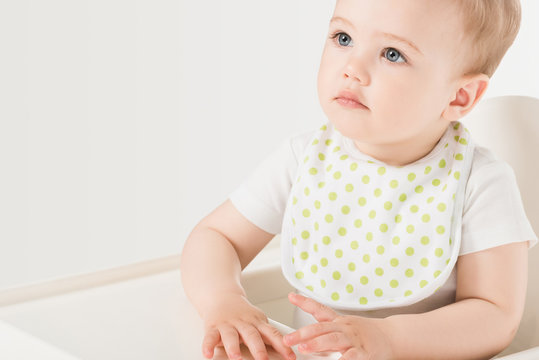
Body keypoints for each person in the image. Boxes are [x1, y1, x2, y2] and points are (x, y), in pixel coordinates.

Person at [180, 0, 538, 359]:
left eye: (393, 54)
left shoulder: (480, 184)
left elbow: (494, 316)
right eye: (344, 37)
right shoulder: (304, 160)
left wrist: (389, 337)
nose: (352, 68)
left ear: (459, 96)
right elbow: (216, 237)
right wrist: (224, 301)